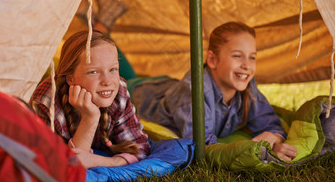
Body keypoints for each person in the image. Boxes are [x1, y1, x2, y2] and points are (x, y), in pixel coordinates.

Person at [132, 21, 297, 162]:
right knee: (117, 67)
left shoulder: (246, 85)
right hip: (141, 92)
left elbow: (269, 121)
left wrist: (273, 138)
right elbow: (203, 146)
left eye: (252, 57)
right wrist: (261, 153)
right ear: (212, 60)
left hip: (168, 85)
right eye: (238, 56)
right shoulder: (193, 92)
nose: (247, 65)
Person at [30, 30, 150, 169]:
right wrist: (90, 118)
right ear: (70, 78)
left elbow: (139, 146)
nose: (107, 81)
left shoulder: (119, 90)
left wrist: (102, 161)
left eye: (113, 69)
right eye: (93, 72)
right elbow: (63, 167)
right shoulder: (46, 102)